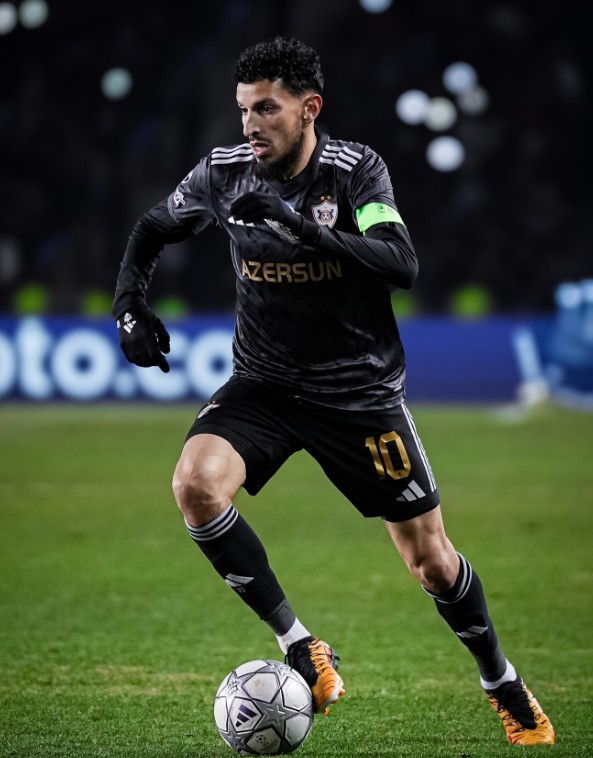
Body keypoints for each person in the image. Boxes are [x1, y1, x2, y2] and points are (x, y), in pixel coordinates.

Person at [113, 36, 554, 745]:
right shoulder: (223, 173)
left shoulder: (354, 174)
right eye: (243, 109)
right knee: (195, 485)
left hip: (358, 395)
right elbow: (152, 227)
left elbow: (400, 261)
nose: (250, 125)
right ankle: (300, 645)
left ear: (309, 109)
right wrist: (129, 305)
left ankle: (499, 679)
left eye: (267, 109)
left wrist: (303, 229)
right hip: (264, 384)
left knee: (431, 563)